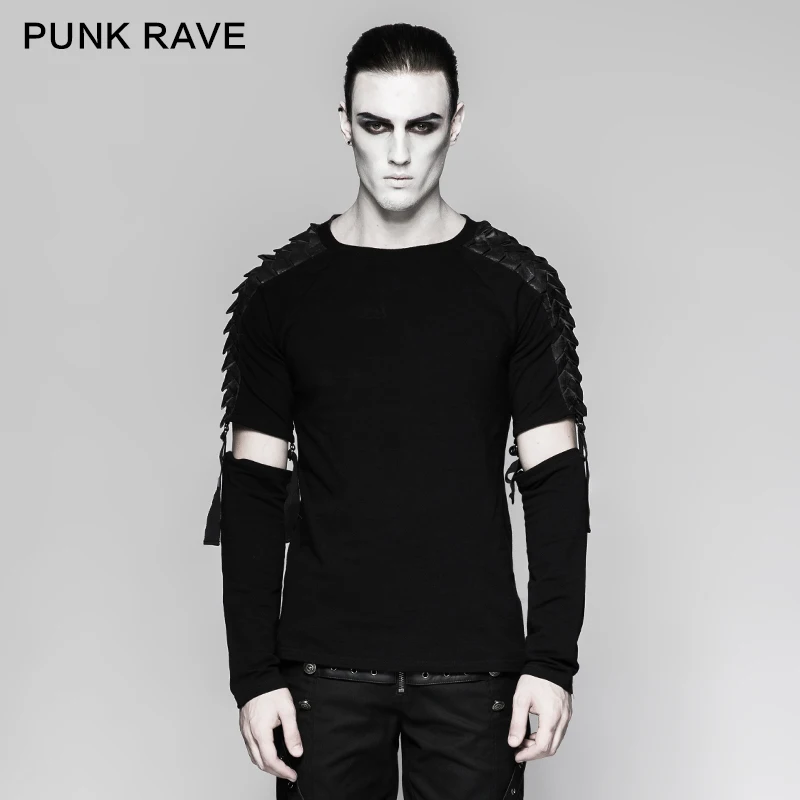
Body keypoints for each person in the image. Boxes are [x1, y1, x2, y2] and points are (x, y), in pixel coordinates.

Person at [203, 22, 591, 800]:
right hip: (322, 673)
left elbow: (556, 482)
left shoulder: (518, 290)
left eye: (423, 126)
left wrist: (551, 663)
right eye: (377, 126)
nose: (400, 154)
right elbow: (251, 492)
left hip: (475, 671)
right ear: (344, 123)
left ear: (457, 123)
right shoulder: (280, 297)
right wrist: (253, 675)